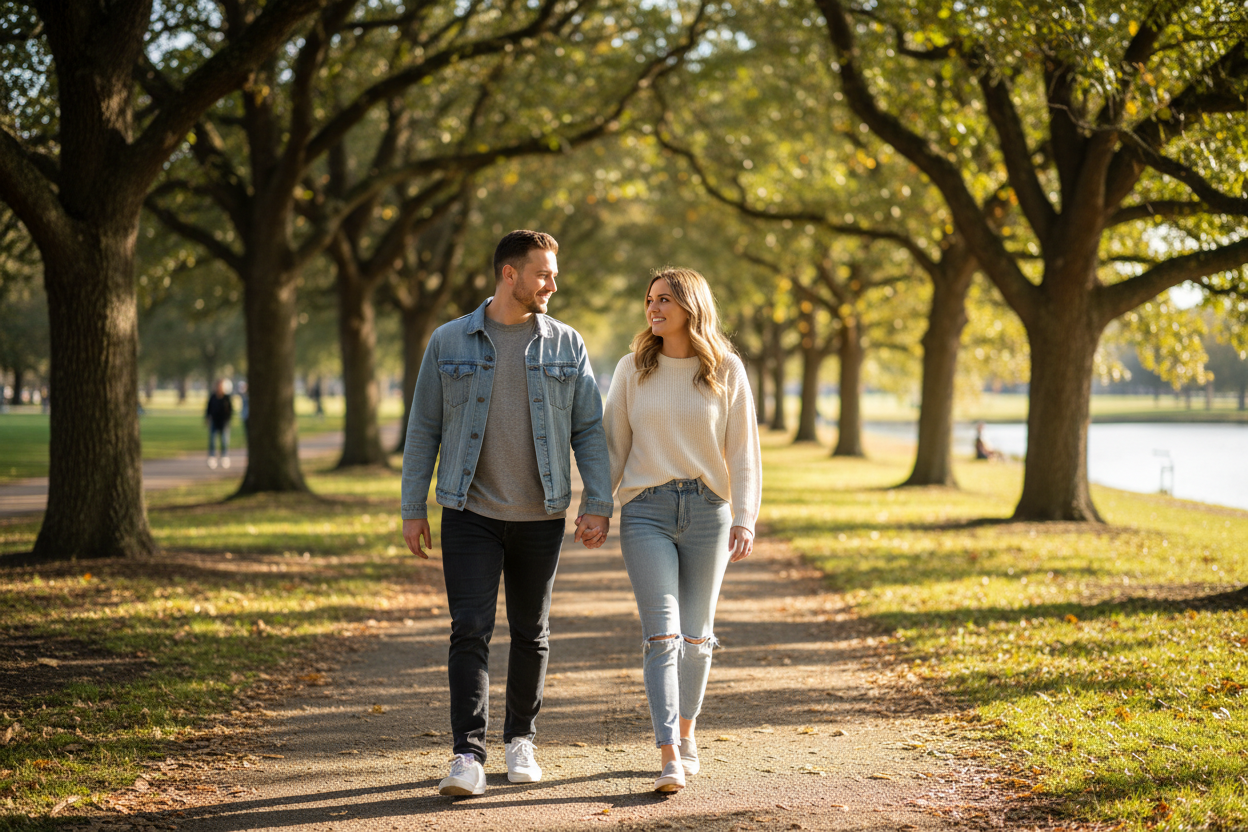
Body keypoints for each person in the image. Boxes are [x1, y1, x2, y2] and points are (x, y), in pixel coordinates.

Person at [400, 230, 614, 797]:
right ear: (508, 274)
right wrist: (412, 507)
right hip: (468, 509)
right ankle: (467, 755)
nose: (552, 284)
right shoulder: (448, 342)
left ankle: (522, 739)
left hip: (540, 513)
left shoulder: (567, 344)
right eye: (543, 273)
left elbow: (588, 428)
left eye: (554, 274)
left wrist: (598, 501)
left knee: (530, 631)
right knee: (469, 629)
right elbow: (423, 427)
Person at [603, 268, 762, 793]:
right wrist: (597, 505)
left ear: (691, 305)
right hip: (646, 511)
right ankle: (669, 751)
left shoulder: (727, 371)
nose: (654, 307)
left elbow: (742, 452)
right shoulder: (632, 370)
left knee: (697, 637)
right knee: (663, 635)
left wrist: (745, 517)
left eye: (665, 299)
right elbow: (612, 447)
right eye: (649, 299)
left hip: (707, 512)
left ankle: (688, 733)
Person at [205, 379, 234, 469]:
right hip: (214, 421)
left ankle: (224, 457)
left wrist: (228, 420)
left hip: (224, 422)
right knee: (212, 440)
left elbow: (230, 410)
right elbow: (208, 408)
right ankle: (212, 457)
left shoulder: (226, 398)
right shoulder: (213, 397)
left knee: (224, 440)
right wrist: (207, 418)